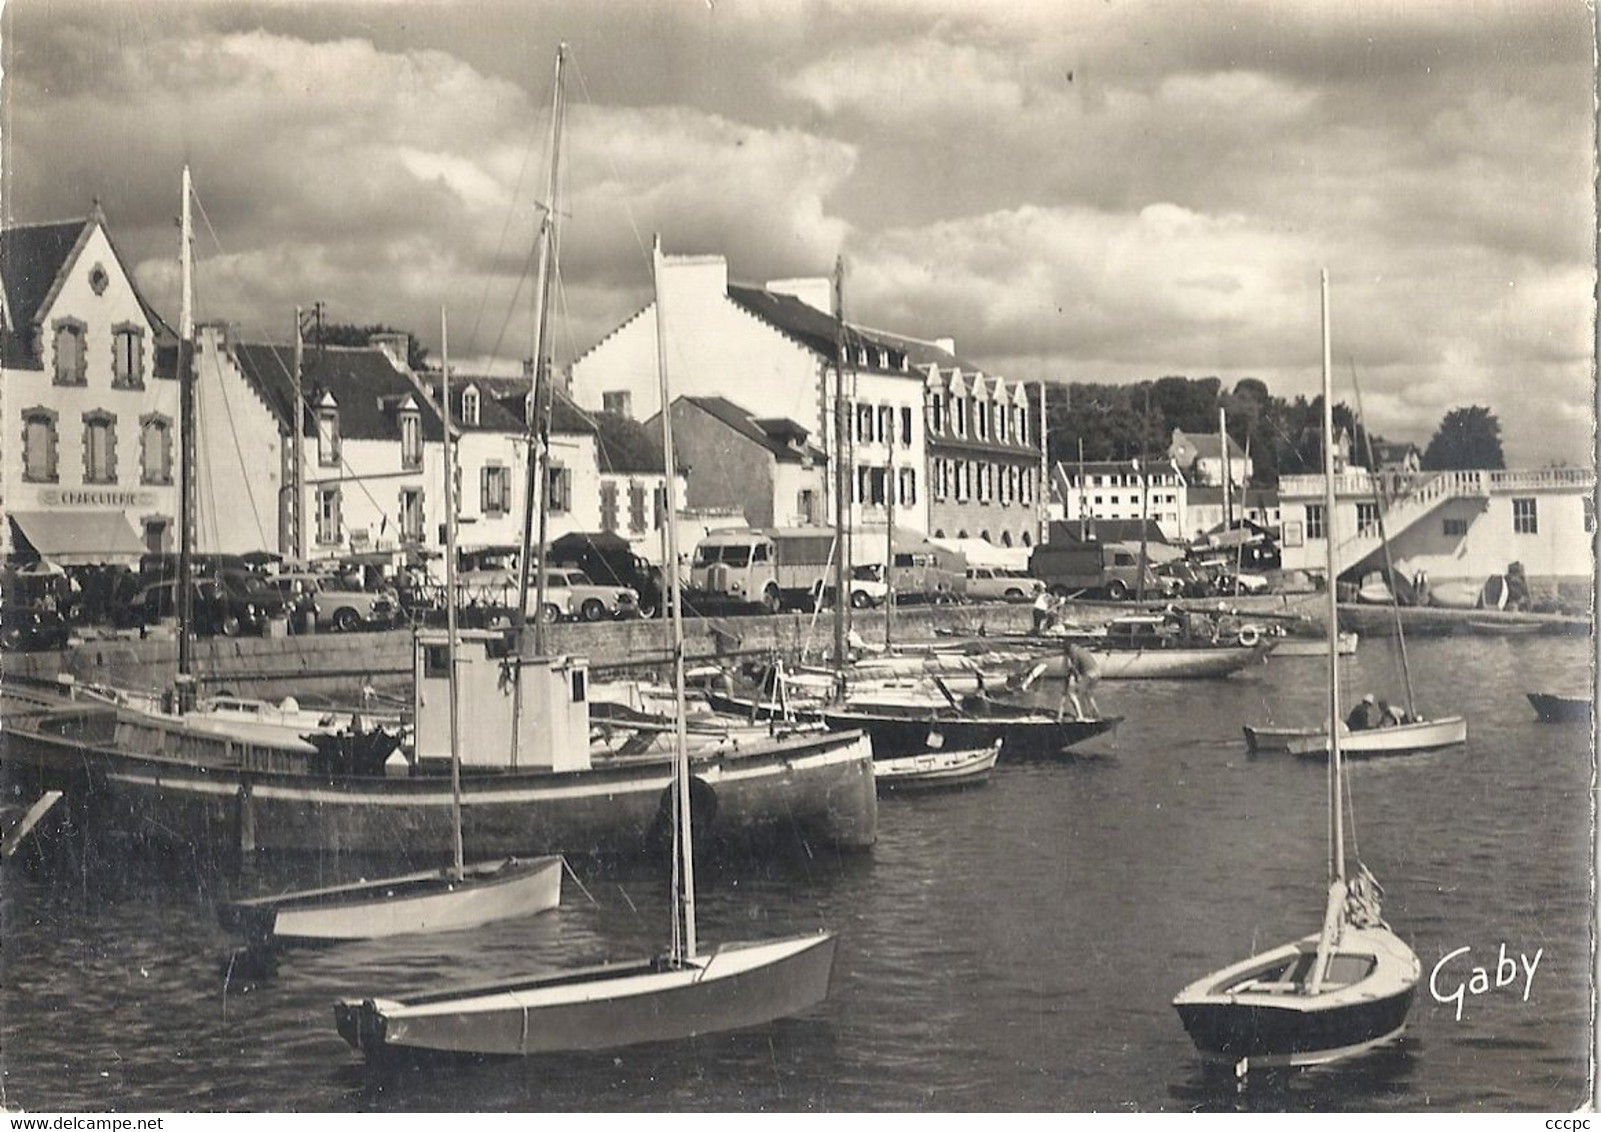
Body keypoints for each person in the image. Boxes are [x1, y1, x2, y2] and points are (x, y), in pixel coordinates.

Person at [1059, 641, 1102, 721]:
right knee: (1088, 694)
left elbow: (1074, 668)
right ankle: (1096, 715)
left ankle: (1080, 716)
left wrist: (1072, 679)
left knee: (1072, 694)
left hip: (1089, 674)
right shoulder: (1080, 650)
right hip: (1097, 672)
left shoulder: (1073, 652)